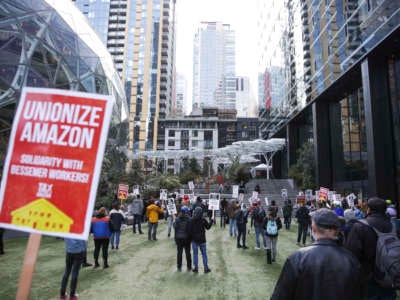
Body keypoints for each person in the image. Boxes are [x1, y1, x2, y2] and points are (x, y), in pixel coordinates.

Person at [271, 208, 362, 300]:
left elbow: (280, 295)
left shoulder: (297, 258)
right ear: (337, 230)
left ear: (313, 227)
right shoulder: (351, 260)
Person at [345, 197, 397, 299]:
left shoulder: (359, 227)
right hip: (391, 273)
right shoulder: (395, 225)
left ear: (368, 209)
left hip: (368, 278)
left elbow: (351, 255)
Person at [186, 206, 213, 273]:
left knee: (195, 254)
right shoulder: (203, 220)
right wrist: (211, 221)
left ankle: (196, 268)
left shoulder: (191, 220)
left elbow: (189, 231)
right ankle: (206, 268)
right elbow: (208, 227)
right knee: (204, 254)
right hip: (202, 240)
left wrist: (190, 238)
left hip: (194, 240)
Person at [173, 206, 192, 272]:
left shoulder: (177, 219)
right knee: (188, 253)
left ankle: (179, 267)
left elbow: (175, 227)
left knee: (179, 253)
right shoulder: (189, 219)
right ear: (187, 211)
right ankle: (189, 267)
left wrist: (174, 222)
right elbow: (190, 229)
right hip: (187, 238)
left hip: (179, 238)